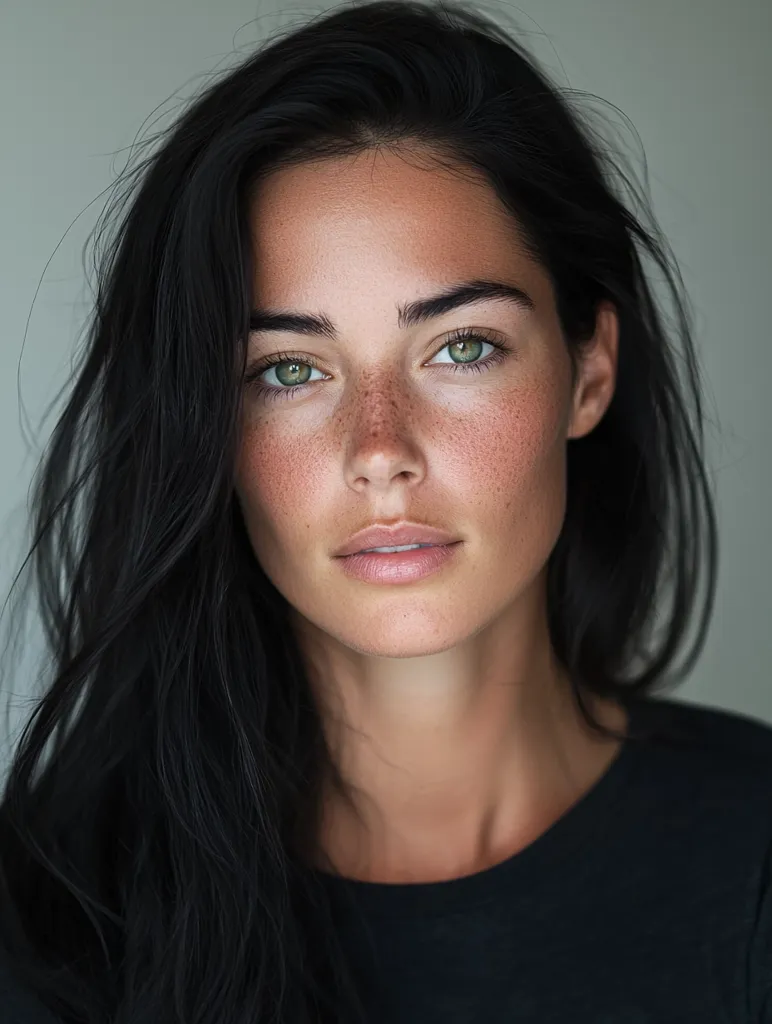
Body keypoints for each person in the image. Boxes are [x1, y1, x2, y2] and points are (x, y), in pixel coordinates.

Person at [1, 0, 770, 1021]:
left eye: (461, 347)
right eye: (286, 369)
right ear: (205, 423)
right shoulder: (51, 908)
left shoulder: (754, 848)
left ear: (589, 369)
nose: (379, 452)